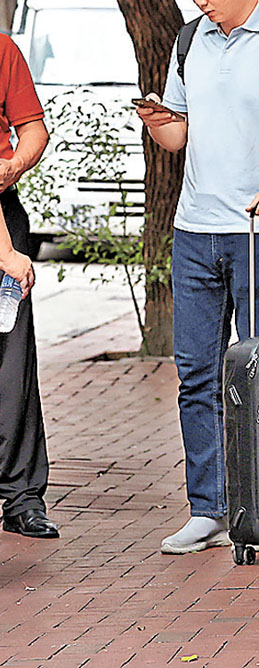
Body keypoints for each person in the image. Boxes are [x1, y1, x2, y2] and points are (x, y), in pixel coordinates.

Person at [136, 0, 259, 555]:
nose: (200, 1)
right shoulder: (188, 39)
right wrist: (160, 125)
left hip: (257, 229)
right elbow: (180, 136)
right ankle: (209, 509)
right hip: (194, 229)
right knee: (196, 375)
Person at [0, 33, 57, 540]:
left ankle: (20, 496)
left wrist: (14, 164)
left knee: (12, 359)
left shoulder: (3, 50)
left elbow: (33, 130)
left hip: (4, 213)